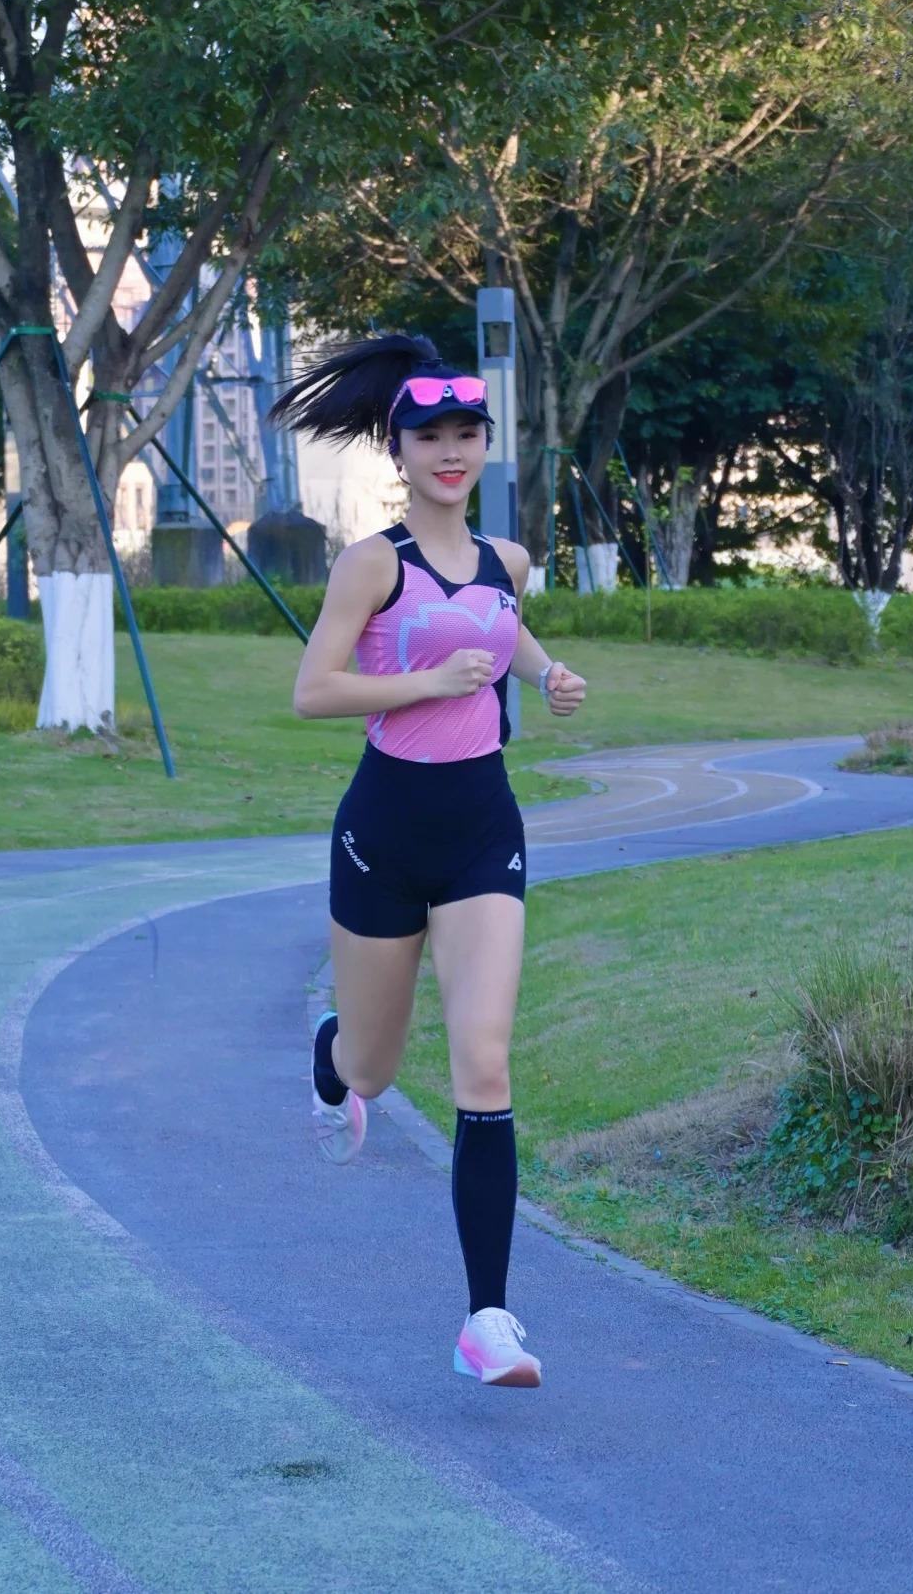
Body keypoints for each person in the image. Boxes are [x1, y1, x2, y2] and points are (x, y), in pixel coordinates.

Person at [269, 332, 587, 1389]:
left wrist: (544, 673)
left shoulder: (508, 562)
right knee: (373, 1068)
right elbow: (313, 692)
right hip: (384, 836)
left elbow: (503, 630)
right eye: (430, 437)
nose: (451, 452)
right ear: (398, 452)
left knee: (484, 1065)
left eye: (467, 434)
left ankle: (487, 1321)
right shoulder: (374, 564)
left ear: (485, 446)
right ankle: (333, 1057)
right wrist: (428, 684)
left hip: (484, 832)